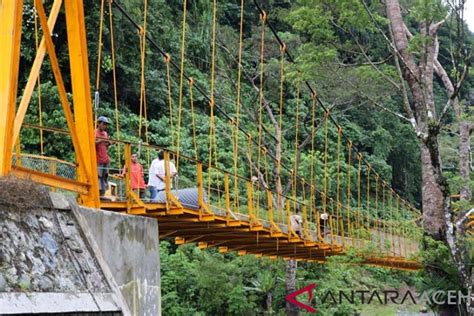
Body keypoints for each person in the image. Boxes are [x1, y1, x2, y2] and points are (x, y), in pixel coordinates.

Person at [95, 116, 112, 197]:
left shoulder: (105, 133)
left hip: (105, 158)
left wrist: (108, 143)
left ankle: (103, 193)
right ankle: (98, 193)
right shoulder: (94, 132)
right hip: (98, 159)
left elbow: (105, 145)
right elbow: (92, 143)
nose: (105, 126)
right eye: (103, 124)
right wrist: (101, 140)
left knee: (105, 176)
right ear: (98, 123)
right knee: (99, 176)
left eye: (106, 125)